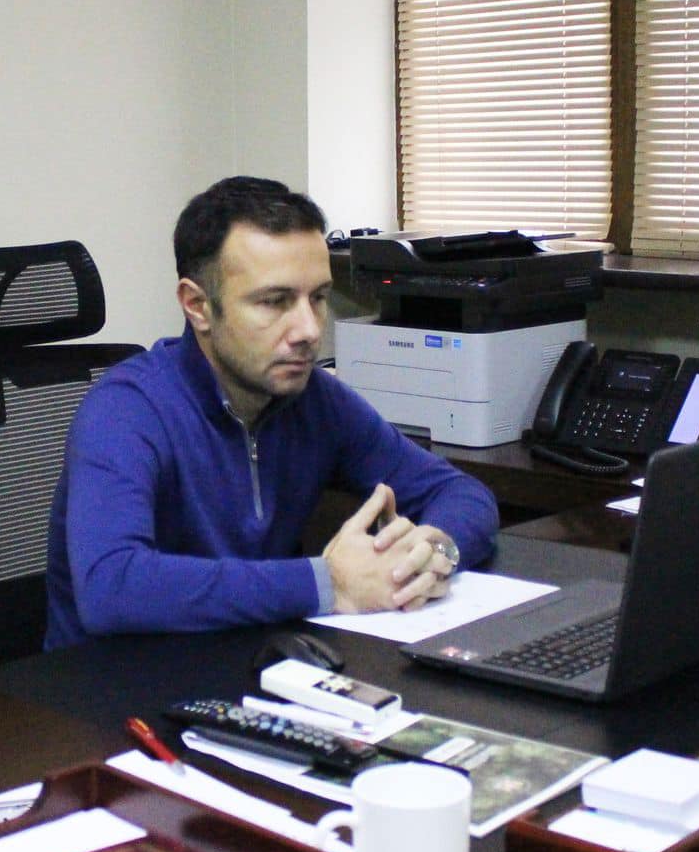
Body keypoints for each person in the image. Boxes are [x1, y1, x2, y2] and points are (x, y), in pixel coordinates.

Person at [44, 176, 499, 649]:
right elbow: (112, 586)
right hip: (115, 681)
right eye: (274, 302)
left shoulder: (315, 399)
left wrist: (432, 551)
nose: (309, 330)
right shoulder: (126, 410)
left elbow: (460, 492)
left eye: (317, 298)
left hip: (250, 660)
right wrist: (329, 583)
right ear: (198, 306)